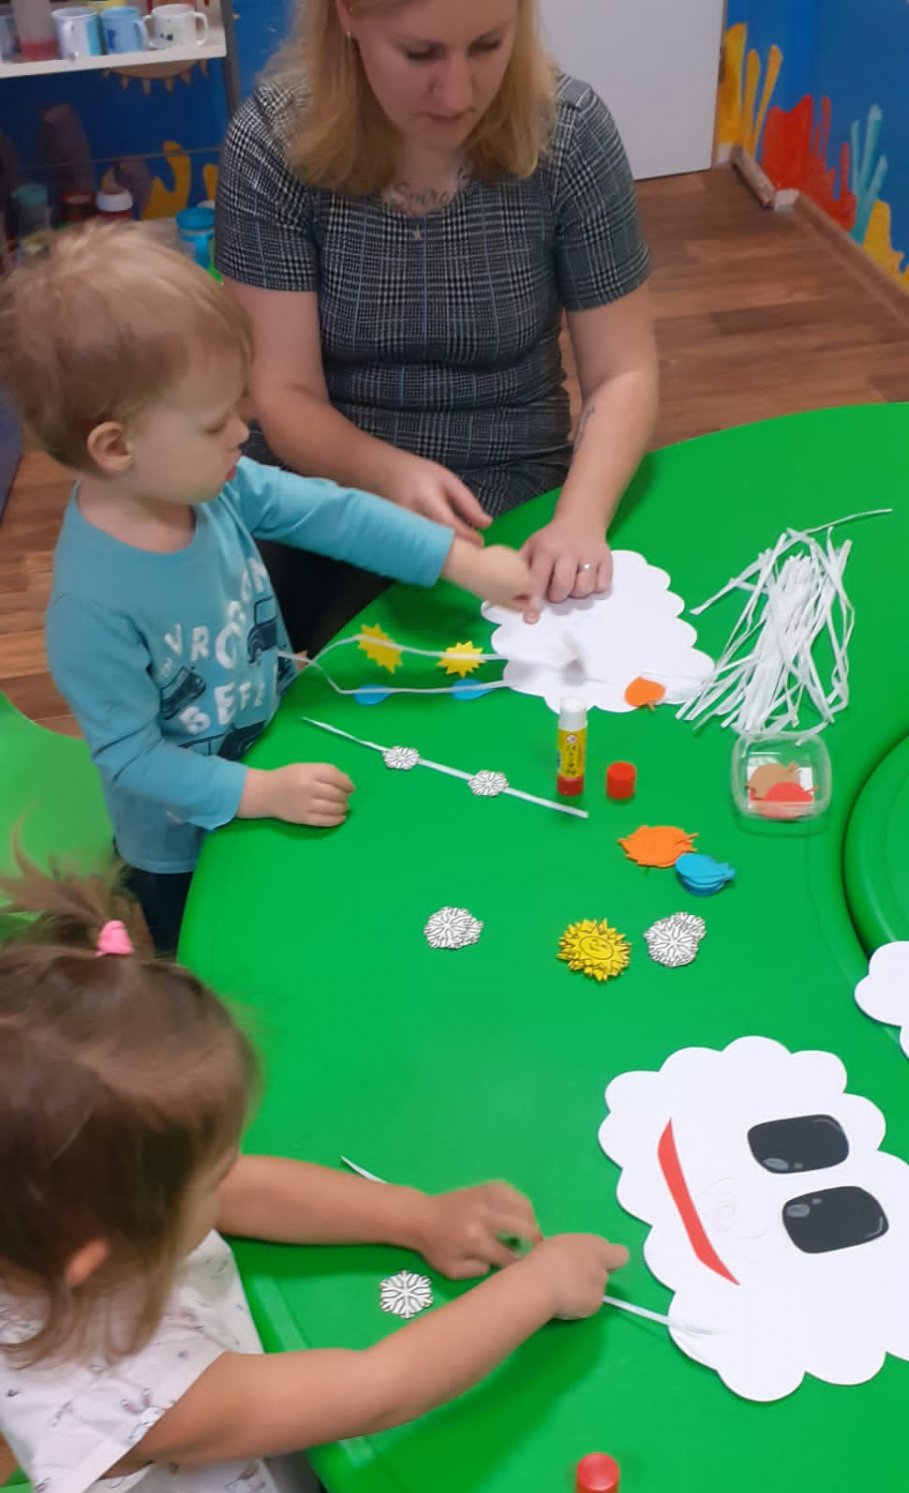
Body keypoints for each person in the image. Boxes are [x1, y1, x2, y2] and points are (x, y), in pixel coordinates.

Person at [0, 857, 628, 1493]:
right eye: (209, 1173)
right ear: (100, 1255)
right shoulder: (136, 1394)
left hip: (205, 1433)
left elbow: (243, 1190)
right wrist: (538, 1285)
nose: (230, 1176)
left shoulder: (51, 1228)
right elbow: (379, 1389)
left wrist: (416, 1217)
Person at [0, 224, 535, 953]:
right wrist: (259, 793)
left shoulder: (211, 486)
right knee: (219, 961)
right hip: (183, 848)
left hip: (274, 747)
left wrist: (457, 561)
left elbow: (329, 512)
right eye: (213, 421)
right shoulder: (90, 609)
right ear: (116, 447)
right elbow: (131, 757)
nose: (241, 432)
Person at [216, 0, 658, 650]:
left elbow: (623, 370)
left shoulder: (570, 132)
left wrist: (579, 519)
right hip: (320, 480)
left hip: (509, 473)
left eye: (487, 45)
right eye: (419, 53)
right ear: (346, 17)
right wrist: (390, 474)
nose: (456, 94)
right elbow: (284, 394)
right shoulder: (272, 142)